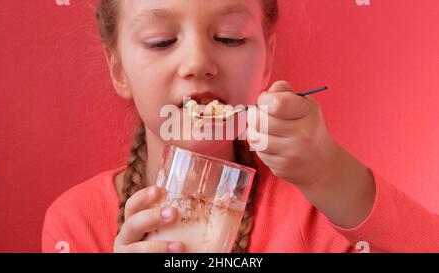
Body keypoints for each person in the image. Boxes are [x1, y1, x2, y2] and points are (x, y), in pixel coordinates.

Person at [42, 0, 439, 253]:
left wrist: (331, 173)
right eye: (161, 41)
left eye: (229, 38)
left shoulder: (320, 211)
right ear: (119, 70)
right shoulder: (77, 223)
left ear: (266, 61)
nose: (198, 61)